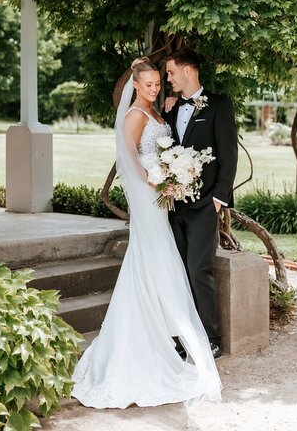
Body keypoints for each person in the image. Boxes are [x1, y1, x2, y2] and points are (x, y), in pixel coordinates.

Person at [71, 57, 222, 409]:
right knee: (155, 261)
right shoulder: (136, 115)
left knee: (158, 265)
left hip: (163, 198)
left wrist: (172, 177)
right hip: (149, 200)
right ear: (135, 85)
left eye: (158, 84)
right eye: (149, 85)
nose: (155, 89)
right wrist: (157, 180)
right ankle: (146, 341)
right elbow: (129, 161)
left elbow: (164, 148)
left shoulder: (158, 112)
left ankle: (161, 332)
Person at [162, 48, 238, 359]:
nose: (169, 79)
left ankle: (210, 338)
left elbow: (228, 155)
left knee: (198, 269)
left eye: (171, 72)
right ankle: (182, 337)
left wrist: (218, 200)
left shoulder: (219, 105)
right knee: (178, 271)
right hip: (173, 206)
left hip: (205, 206)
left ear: (189, 70)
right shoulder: (169, 108)